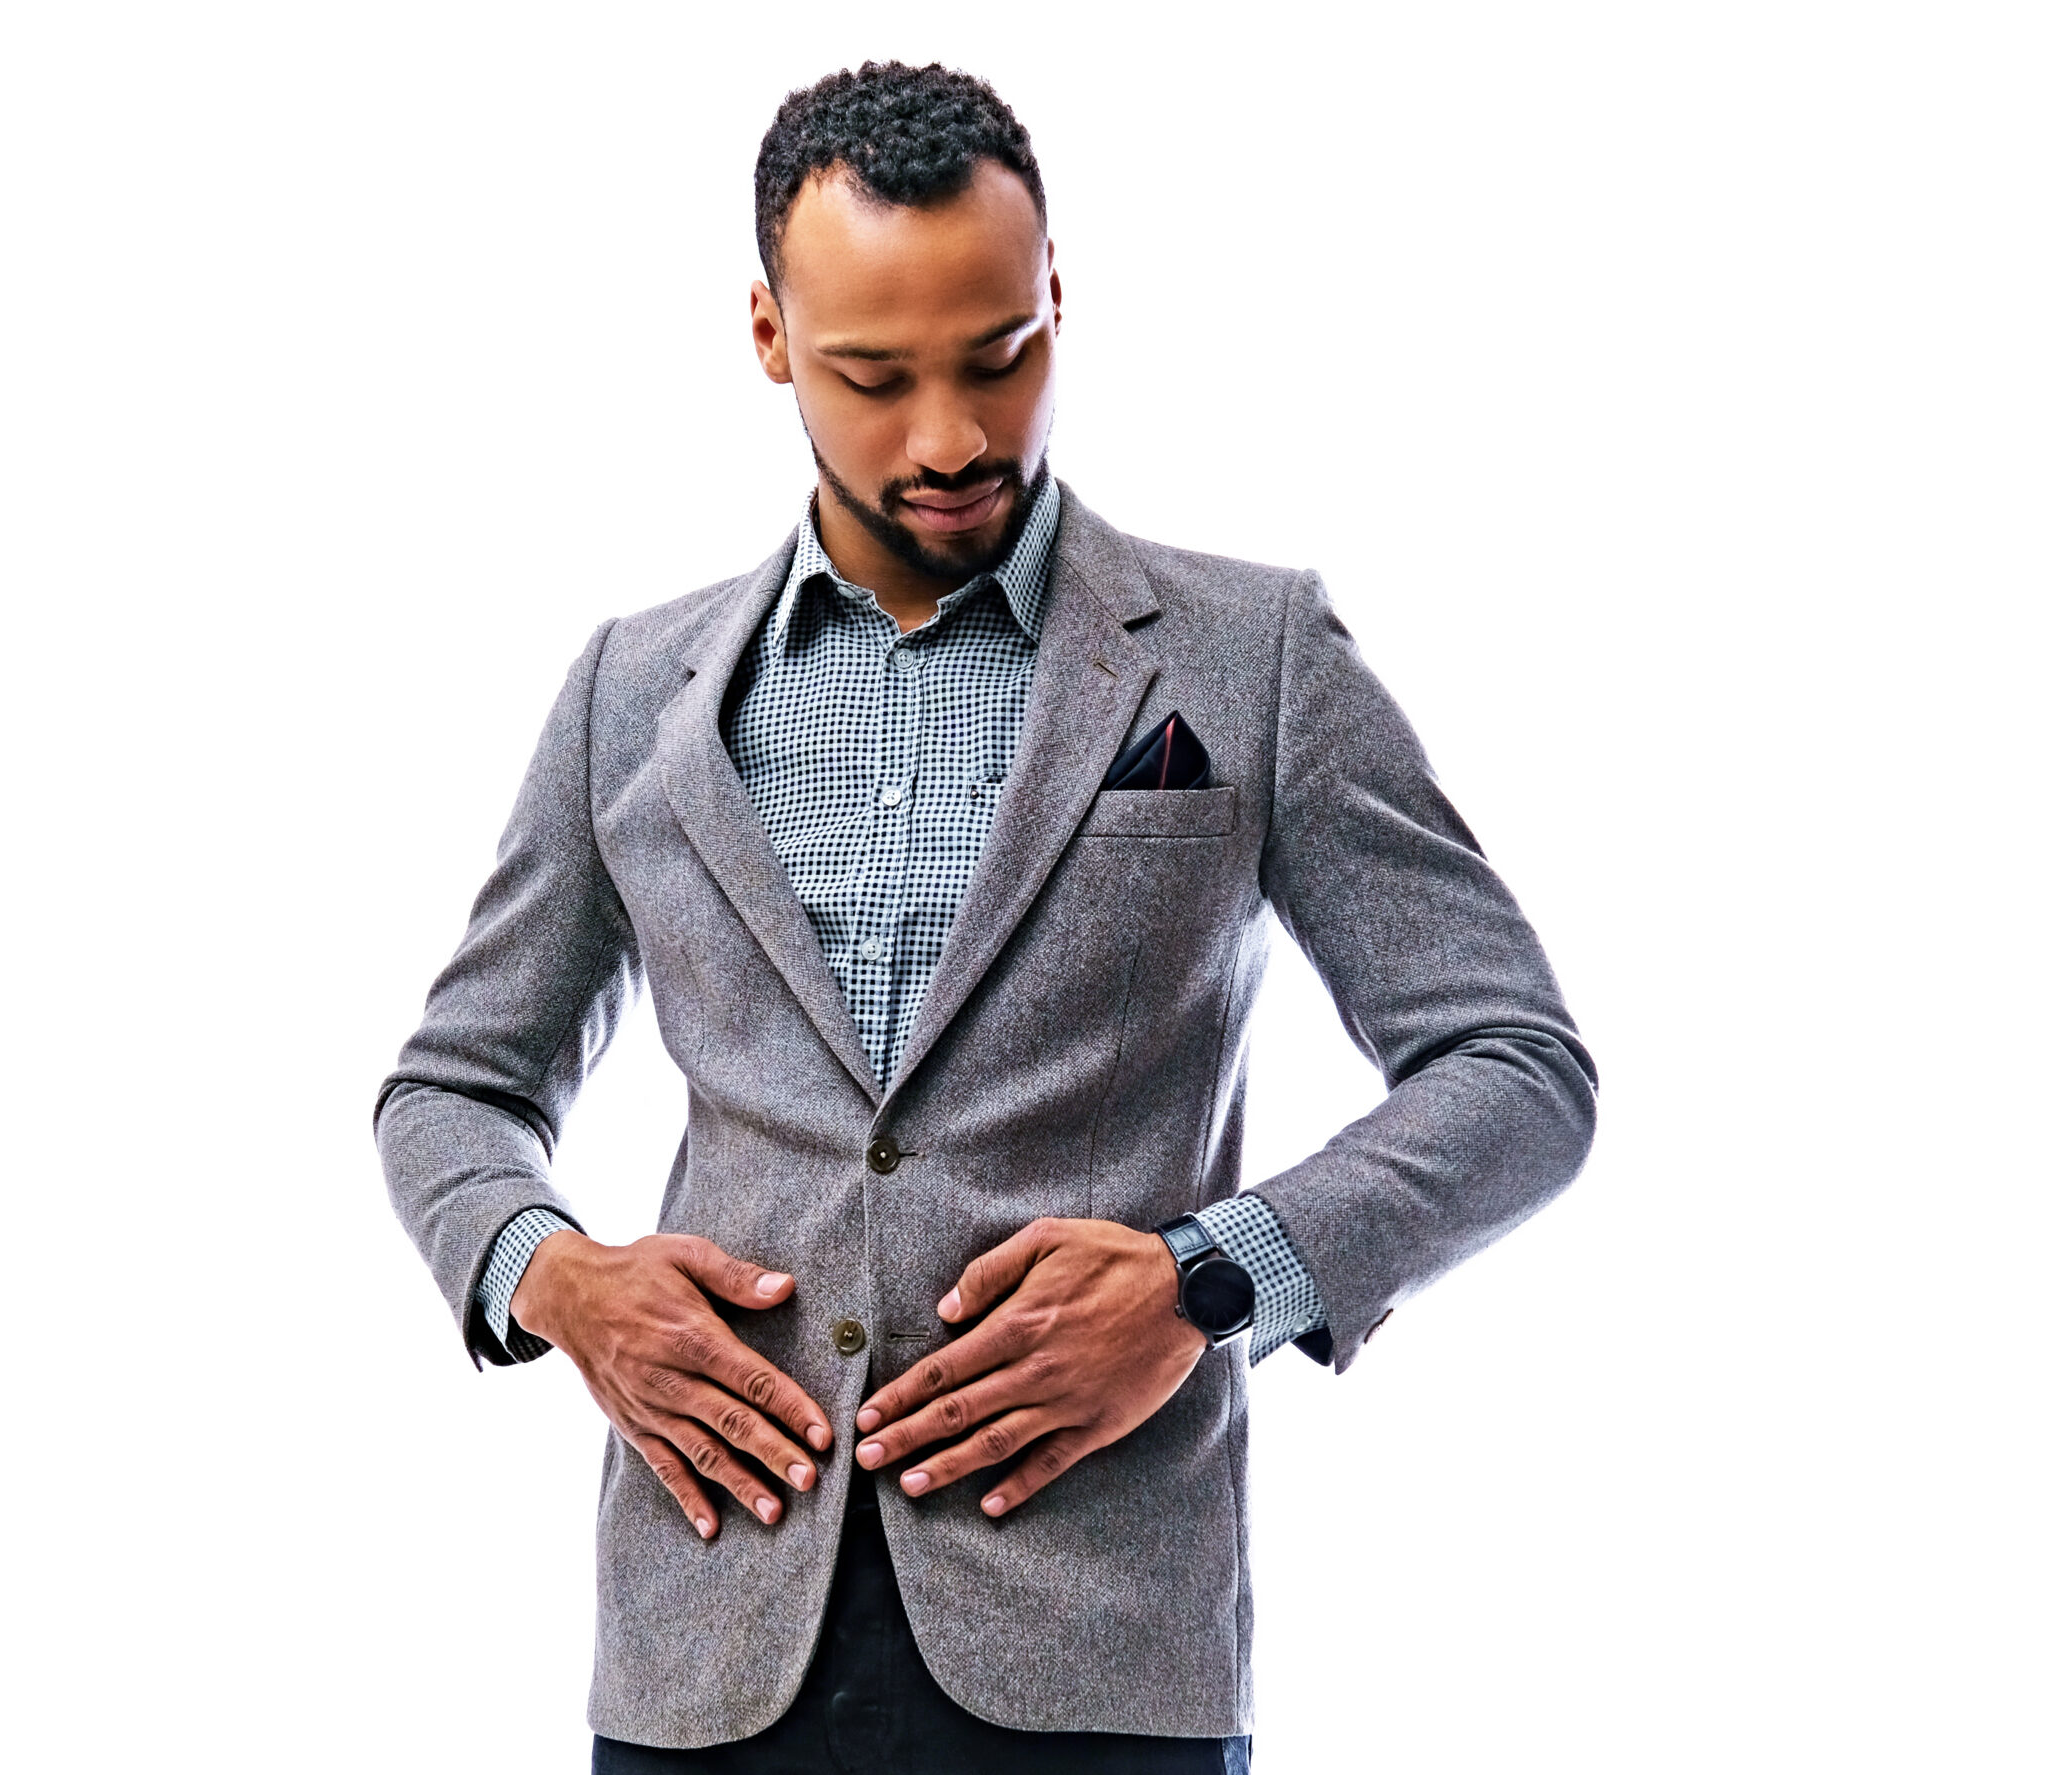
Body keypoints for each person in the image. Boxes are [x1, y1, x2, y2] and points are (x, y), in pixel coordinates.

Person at [376, 61, 1596, 1774]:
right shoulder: (629, 693)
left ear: (1056, 304)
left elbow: (1517, 1072)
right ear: (770, 336)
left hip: (1099, 1662)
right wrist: (556, 1277)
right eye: (875, 377)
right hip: (706, 1655)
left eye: (1001, 355)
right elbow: (450, 1090)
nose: (950, 437)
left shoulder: (1247, 661)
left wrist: (1205, 1282)